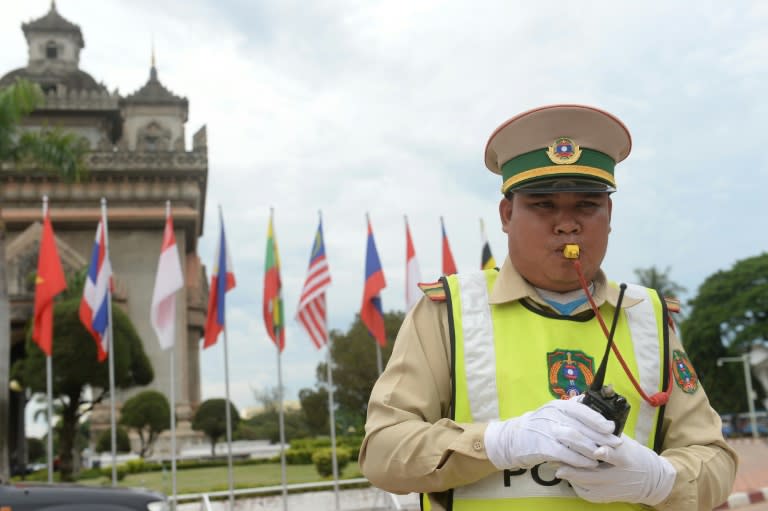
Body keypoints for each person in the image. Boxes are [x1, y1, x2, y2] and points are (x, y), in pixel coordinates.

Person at [359, 104, 737, 510]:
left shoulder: (648, 316)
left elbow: (715, 458)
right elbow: (383, 451)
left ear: (608, 215)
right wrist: (498, 442)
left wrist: (661, 481)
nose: (567, 224)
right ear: (507, 215)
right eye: (543, 205)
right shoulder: (448, 311)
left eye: (587, 205)